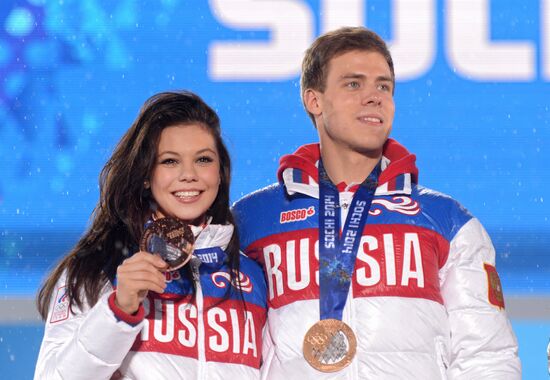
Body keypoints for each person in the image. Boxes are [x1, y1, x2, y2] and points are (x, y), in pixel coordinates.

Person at [232, 27, 521, 379]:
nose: (374, 97)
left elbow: (487, 356)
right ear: (315, 100)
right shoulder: (251, 221)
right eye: (354, 84)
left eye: (383, 86)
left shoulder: (446, 221)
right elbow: (225, 356)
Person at [35, 91, 267, 379]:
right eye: (170, 161)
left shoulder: (251, 275)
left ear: (220, 173)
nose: (189, 174)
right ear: (146, 175)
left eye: (204, 160)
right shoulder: (98, 268)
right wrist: (117, 311)